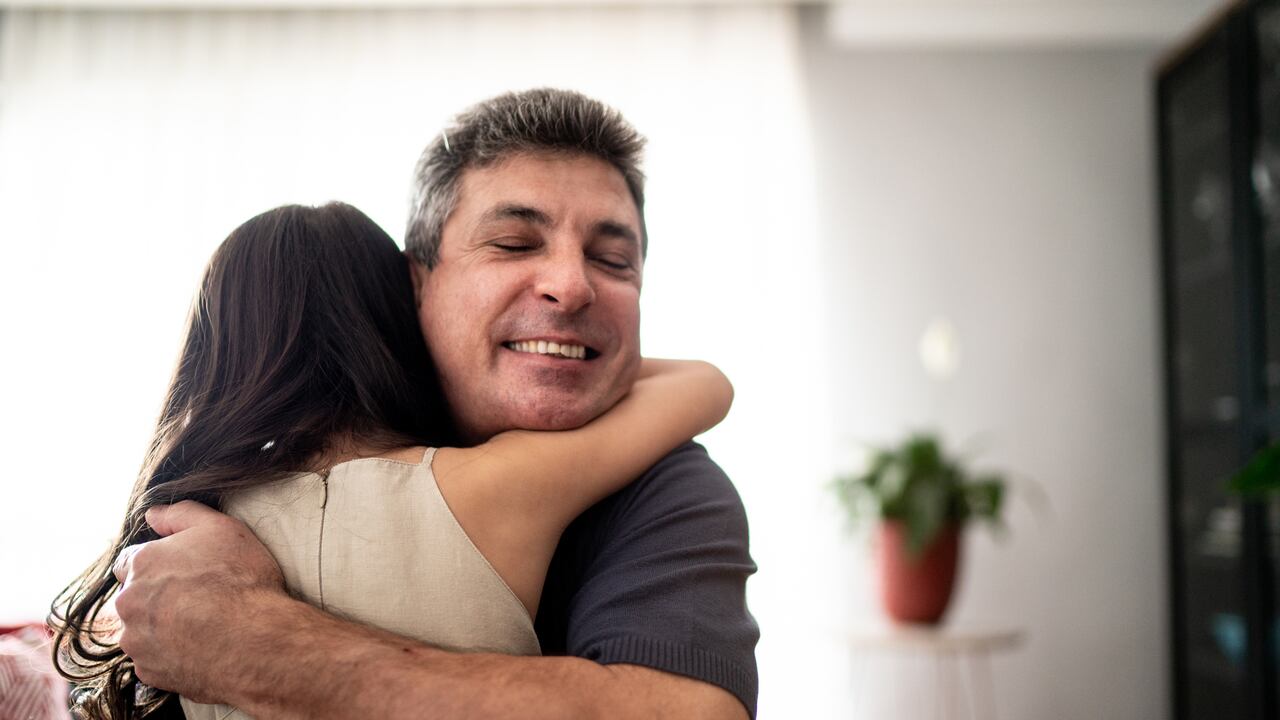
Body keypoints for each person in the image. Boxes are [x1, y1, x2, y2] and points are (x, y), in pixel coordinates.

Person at [103, 88, 759, 719]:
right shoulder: (241, 514)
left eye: (613, 259)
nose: (572, 285)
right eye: (513, 243)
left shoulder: (671, 488)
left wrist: (256, 640)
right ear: (416, 281)